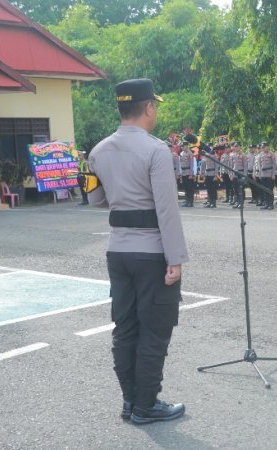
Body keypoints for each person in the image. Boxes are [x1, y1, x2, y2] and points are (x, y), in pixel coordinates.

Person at [87, 79, 188, 424]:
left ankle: (130, 401)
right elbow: (167, 210)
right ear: (148, 108)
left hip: (118, 251)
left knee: (125, 327)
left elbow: (95, 199)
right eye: (155, 106)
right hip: (152, 252)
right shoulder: (156, 150)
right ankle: (146, 405)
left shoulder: (97, 151)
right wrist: (175, 259)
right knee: (155, 329)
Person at [257, 142, 275, 210]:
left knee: (270, 189)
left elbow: (274, 164)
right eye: (262, 147)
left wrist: (273, 174)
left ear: (268, 147)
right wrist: (259, 174)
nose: (263, 148)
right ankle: (266, 203)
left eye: (264, 147)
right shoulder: (260, 155)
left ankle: (271, 204)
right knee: (264, 189)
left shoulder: (271, 154)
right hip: (263, 174)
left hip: (269, 174)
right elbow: (259, 165)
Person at [179, 141, 195, 207]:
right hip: (183, 172)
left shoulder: (190, 153)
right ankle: (187, 201)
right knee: (185, 188)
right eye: (181, 146)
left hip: (188, 172)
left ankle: (191, 202)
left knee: (190, 188)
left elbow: (192, 164)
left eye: (183, 146)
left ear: (186, 146)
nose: (182, 147)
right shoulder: (181, 153)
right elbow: (180, 164)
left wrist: (191, 174)